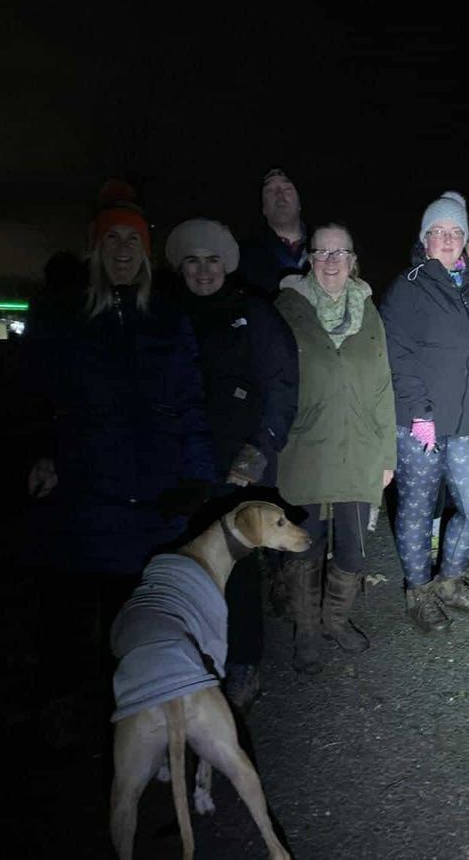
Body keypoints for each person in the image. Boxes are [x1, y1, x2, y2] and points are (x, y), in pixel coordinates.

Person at [22, 181, 216, 742]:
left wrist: (197, 478)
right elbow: (37, 393)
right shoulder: (67, 318)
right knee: (76, 623)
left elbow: (189, 403)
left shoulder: (168, 319)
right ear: (96, 248)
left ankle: (143, 721)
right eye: (113, 240)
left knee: (145, 618)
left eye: (133, 240)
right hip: (86, 494)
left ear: (147, 251)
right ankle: (75, 729)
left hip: (155, 498)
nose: (124, 251)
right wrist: (41, 453)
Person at [166, 217, 299, 711]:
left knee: (236, 571)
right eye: (193, 261)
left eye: (213, 260)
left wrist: (261, 446)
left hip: (237, 464)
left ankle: (245, 662)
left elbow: (283, 386)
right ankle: (189, 661)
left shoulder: (254, 315)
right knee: (182, 567)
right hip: (181, 465)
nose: (203, 271)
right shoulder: (166, 313)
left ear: (228, 264)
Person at [274, 224, 396, 674]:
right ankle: (306, 631)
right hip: (305, 447)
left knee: (353, 548)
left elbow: (384, 384)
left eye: (339, 252)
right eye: (321, 252)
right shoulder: (287, 308)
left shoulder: (369, 310)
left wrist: (387, 455)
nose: (330, 261)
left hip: (361, 449)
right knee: (304, 547)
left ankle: (335, 620)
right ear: (309, 257)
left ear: (352, 260)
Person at [381, 192, 469, 634]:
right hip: (420, 426)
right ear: (425, 240)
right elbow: (398, 354)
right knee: (416, 508)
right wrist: (418, 412)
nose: (448, 240)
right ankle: (420, 591)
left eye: (456, 233)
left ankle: (450, 578)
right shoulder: (407, 286)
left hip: (468, 421)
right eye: (439, 233)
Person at [238, 168, 309, 298]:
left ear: (300, 203)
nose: (279, 194)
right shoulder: (243, 255)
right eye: (269, 190)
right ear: (263, 208)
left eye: (287, 188)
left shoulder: (328, 245)